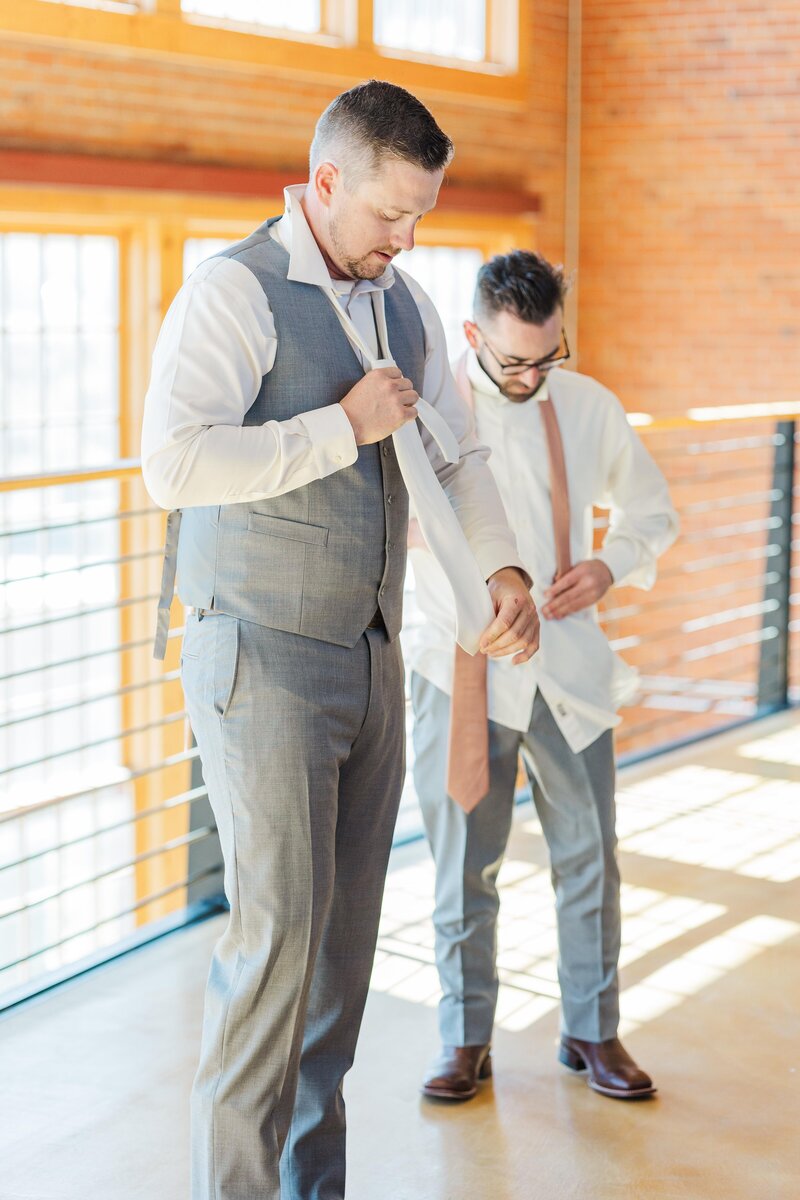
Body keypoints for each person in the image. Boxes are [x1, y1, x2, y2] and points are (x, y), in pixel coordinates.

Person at [141, 81, 538, 1200]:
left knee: (339, 969)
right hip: (258, 655)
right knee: (273, 953)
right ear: (324, 183)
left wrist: (502, 567)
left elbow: (457, 457)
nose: (403, 239)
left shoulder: (406, 301)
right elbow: (172, 464)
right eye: (386, 215)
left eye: (418, 216)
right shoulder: (233, 293)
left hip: (369, 654)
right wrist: (337, 427)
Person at [409, 249, 678, 1103]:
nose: (532, 375)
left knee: (589, 857)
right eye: (513, 359)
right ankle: (464, 1038)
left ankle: (593, 1030)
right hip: (458, 672)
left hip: (568, 671)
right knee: (461, 866)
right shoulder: (426, 417)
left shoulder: (589, 405)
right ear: (472, 335)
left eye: (547, 355)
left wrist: (610, 567)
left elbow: (654, 512)